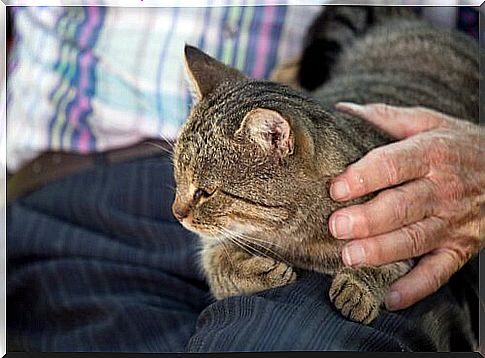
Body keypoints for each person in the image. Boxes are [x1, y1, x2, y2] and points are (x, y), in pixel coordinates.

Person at [5, 5, 482, 352]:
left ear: (277, 139)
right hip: (71, 207)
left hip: (298, 193)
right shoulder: (200, 178)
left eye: (195, 198)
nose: (179, 213)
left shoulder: (280, 152)